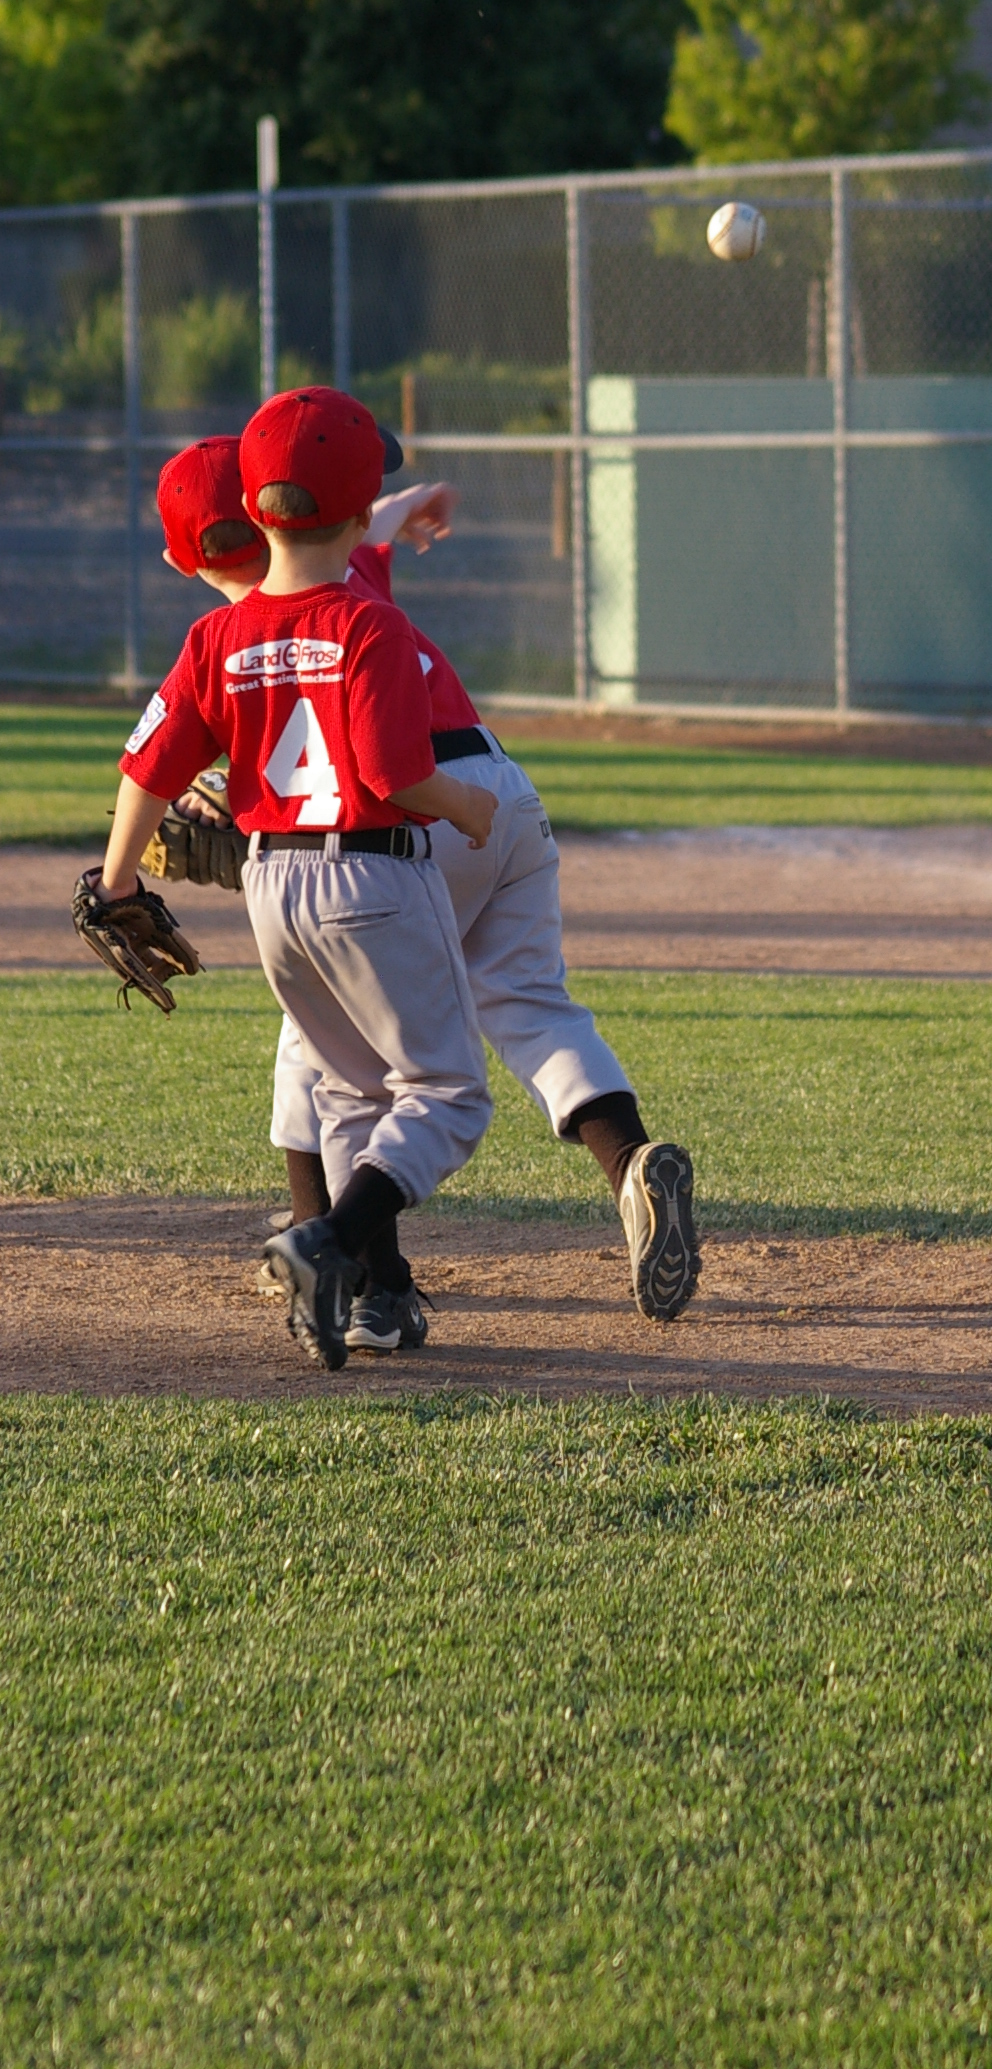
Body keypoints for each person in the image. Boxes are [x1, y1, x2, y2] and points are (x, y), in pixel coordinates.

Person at [152, 435, 700, 1350]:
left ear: (184, 560)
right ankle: (631, 1160)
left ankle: (359, 1272)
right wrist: (418, 503)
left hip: (409, 817)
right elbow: (375, 524)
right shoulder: (346, 569)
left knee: (323, 1042)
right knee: (530, 1000)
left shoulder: (242, 637)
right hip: (499, 788)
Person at [95, 387, 499, 1370]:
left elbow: (147, 768)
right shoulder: (369, 620)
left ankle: (364, 1296)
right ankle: (327, 1238)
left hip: (273, 886)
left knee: (350, 1093)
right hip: (374, 877)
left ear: (252, 509)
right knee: (448, 1093)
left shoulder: (214, 638)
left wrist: (115, 886)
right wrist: (465, 804)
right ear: (361, 516)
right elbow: (393, 774)